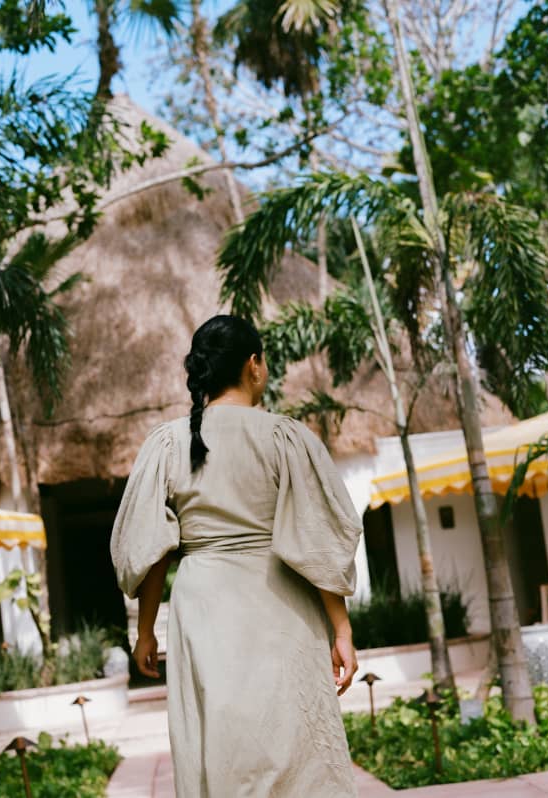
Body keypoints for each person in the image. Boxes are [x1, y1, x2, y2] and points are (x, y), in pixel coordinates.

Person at [110, 314, 363, 797]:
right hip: (279, 599)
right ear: (254, 365)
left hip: (203, 604)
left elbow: (152, 549)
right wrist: (342, 631)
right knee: (294, 740)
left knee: (220, 740)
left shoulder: (167, 444)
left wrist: (145, 632)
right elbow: (317, 540)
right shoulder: (285, 437)